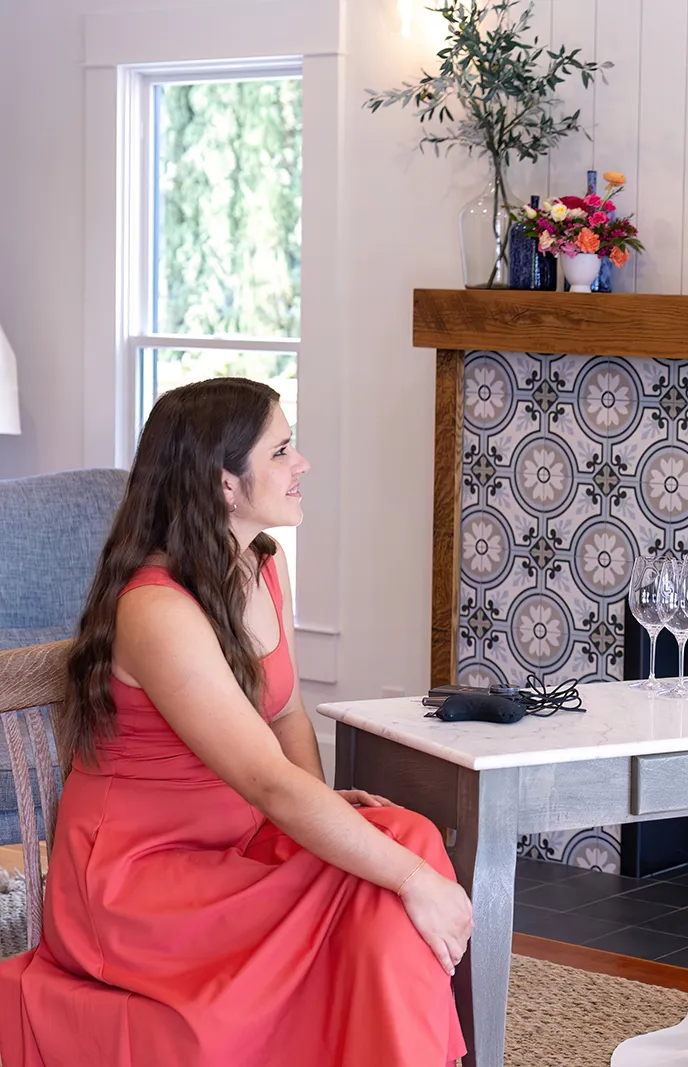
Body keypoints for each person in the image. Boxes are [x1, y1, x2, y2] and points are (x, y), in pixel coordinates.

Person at [0, 378, 472, 1066]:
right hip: (140, 882)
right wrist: (415, 880)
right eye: (281, 451)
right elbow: (269, 782)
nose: (302, 463)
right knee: (401, 872)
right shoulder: (156, 611)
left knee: (404, 835)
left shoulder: (263, 567)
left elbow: (287, 717)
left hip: (239, 839)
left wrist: (324, 817)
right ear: (225, 483)